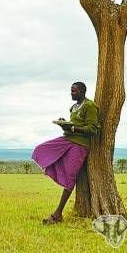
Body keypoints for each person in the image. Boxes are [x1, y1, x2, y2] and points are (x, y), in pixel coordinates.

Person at [31, 81, 100, 224]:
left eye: (74, 91)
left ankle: (57, 214)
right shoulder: (74, 107)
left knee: (70, 177)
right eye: (71, 91)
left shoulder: (90, 106)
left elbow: (93, 129)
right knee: (41, 149)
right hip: (67, 139)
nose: (71, 93)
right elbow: (72, 127)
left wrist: (73, 128)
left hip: (80, 145)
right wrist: (65, 125)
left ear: (82, 91)